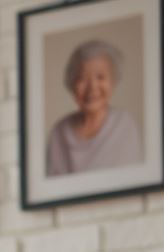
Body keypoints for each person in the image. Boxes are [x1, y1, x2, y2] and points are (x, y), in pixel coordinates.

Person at [46, 40, 141, 177]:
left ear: (113, 81)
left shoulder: (125, 124)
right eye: (82, 78)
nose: (92, 88)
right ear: (72, 84)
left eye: (100, 77)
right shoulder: (59, 132)